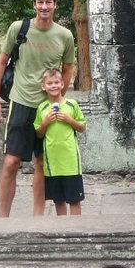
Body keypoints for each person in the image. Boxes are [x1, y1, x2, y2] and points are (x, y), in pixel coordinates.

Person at [0, 0, 75, 217]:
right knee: (11, 163)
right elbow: (2, 61)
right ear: (34, 4)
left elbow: (68, 68)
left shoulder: (65, 36)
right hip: (21, 102)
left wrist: (59, 98)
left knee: (42, 163)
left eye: (48, 2)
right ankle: (2, 221)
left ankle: (37, 219)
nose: (44, 6)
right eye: (40, 2)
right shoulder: (19, 28)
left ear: (55, 5)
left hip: (46, 107)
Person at [34, 67, 86, 216]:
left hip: (71, 163)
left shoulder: (72, 104)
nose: (54, 86)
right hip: (53, 164)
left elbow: (82, 127)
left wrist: (70, 120)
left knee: (74, 200)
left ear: (62, 84)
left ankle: (75, 228)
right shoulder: (42, 108)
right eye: (50, 83)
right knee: (58, 200)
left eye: (56, 82)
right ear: (43, 86)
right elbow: (39, 134)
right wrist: (45, 123)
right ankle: (62, 227)